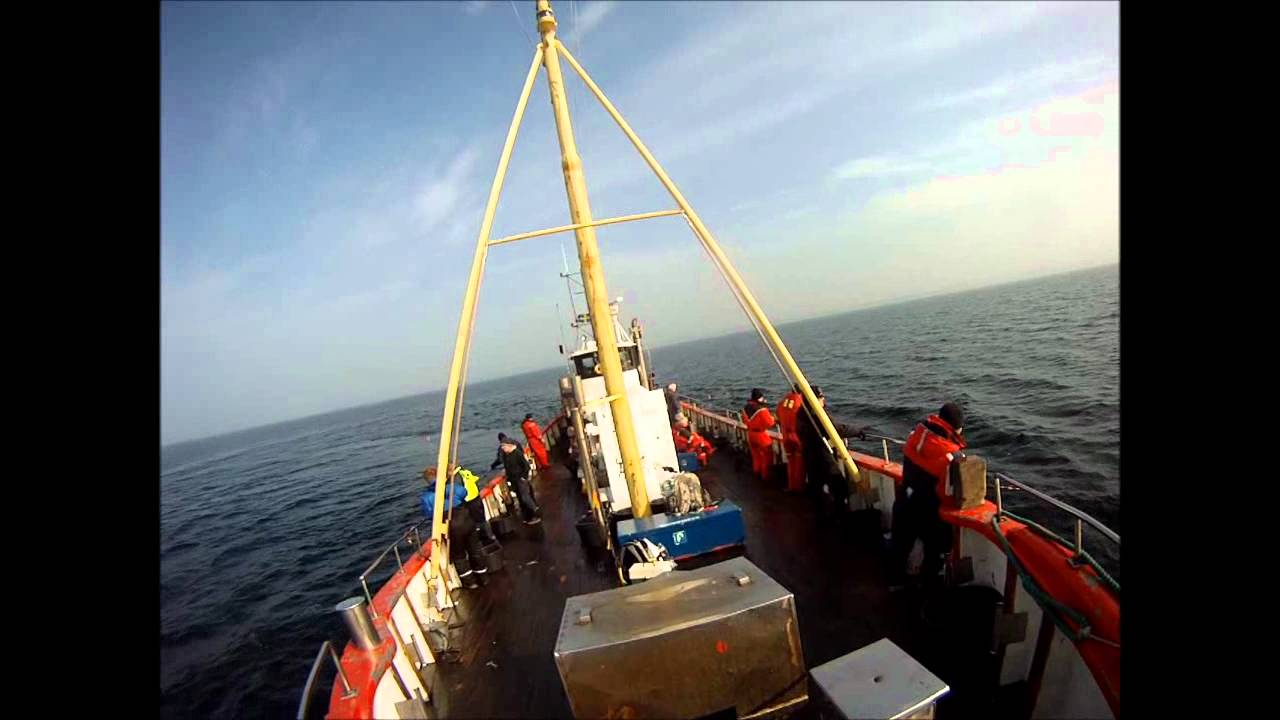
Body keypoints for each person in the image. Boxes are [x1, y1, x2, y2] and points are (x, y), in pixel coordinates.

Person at [893, 402, 967, 587]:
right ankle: (927, 590)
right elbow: (946, 494)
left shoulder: (914, 436)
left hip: (904, 501)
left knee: (900, 549)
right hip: (928, 512)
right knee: (935, 551)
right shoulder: (952, 457)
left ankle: (895, 584)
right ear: (956, 428)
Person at [795, 386, 867, 515]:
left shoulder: (801, 412)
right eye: (821, 397)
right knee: (840, 486)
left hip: (809, 454)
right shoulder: (817, 415)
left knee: (816, 486)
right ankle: (839, 515)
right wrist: (857, 431)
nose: (824, 399)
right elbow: (835, 429)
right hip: (822, 455)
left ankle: (819, 514)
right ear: (815, 399)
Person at [422, 466, 488, 588]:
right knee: (474, 548)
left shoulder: (427, 497)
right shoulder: (453, 488)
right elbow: (465, 493)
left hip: (451, 527)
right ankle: (483, 577)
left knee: (459, 555)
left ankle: (470, 582)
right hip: (467, 521)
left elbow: (429, 515)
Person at [492, 433, 541, 524]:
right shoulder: (507, 453)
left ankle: (535, 512)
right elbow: (508, 466)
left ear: (508, 445)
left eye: (503, 446)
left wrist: (523, 477)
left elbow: (526, 466)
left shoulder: (517, 454)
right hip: (513, 479)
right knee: (521, 498)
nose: (502, 448)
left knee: (525, 497)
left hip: (520, 479)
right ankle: (527, 517)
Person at [775, 385, 807, 493]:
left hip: (786, 437)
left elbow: (778, 415)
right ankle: (799, 487)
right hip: (797, 437)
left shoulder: (783, 401)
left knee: (791, 462)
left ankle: (791, 486)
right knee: (799, 463)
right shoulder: (801, 402)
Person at [742, 388, 777, 483]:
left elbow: (744, 420)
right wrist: (774, 419)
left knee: (756, 456)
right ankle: (765, 477)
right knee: (767, 456)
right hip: (761, 435)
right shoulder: (762, 409)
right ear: (759, 398)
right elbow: (769, 423)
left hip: (751, 434)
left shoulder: (745, 408)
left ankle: (757, 472)